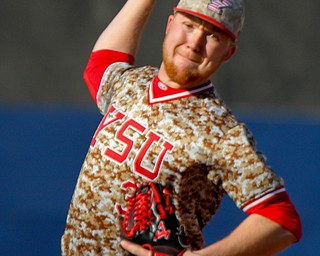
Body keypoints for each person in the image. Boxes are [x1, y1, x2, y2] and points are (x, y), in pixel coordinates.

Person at [61, 0, 302, 255]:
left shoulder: (221, 131)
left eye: (212, 35)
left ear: (228, 53)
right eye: (188, 25)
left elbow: (283, 220)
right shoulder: (132, 83)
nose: (195, 43)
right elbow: (102, 62)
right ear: (170, 25)